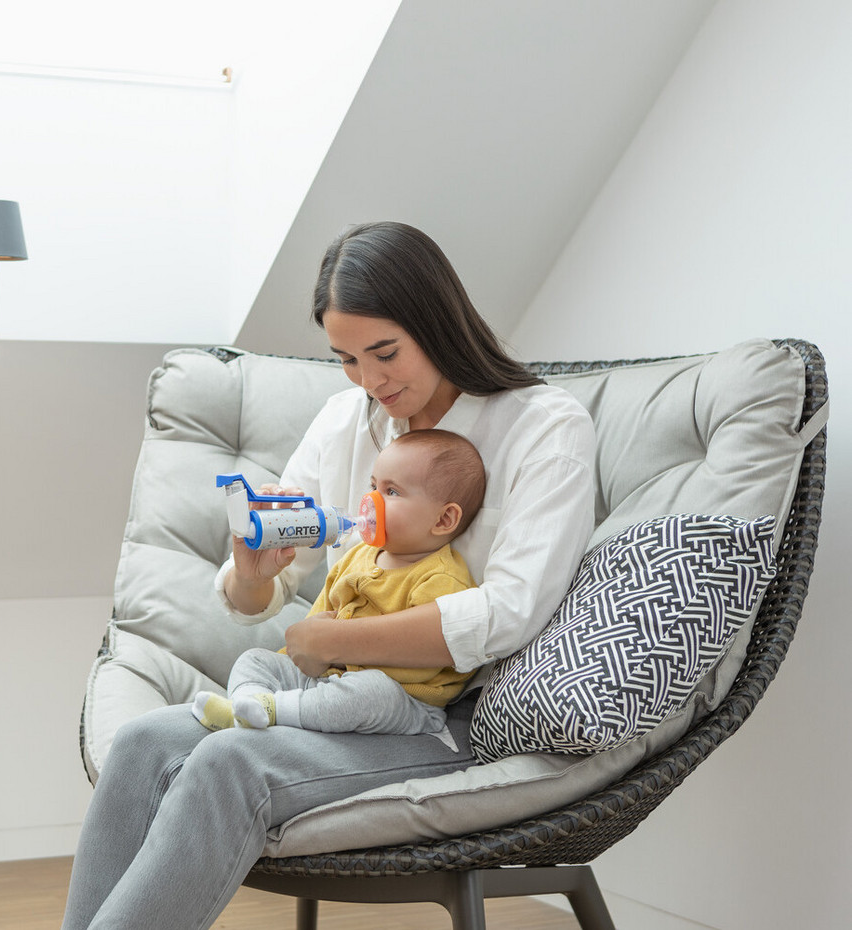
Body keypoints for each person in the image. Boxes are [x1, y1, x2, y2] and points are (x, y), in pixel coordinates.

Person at [62, 221, 597, 930]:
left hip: (440, 719)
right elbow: (259, 597)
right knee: (142, 744)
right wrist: (255, 572)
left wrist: (335, 642)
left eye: (385, 353)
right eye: (346, 358)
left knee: (230, 765)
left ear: (437, 323)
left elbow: (509, 614)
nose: (372, 382)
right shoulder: (349, 421)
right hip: (331, 697)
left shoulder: (543, 427)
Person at [191, 428, 485, 740]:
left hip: (399, 701)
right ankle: (245, 706)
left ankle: (275, 710)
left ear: (443, 520)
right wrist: (308, 655)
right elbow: (319, 622)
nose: (369, 500)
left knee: (371, 690)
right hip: (327, 681)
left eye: (392, 492)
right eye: (372, 486)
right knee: (255, 660)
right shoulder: (359, 554)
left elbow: (422, 663)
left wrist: (339, 652)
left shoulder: (441, 578)